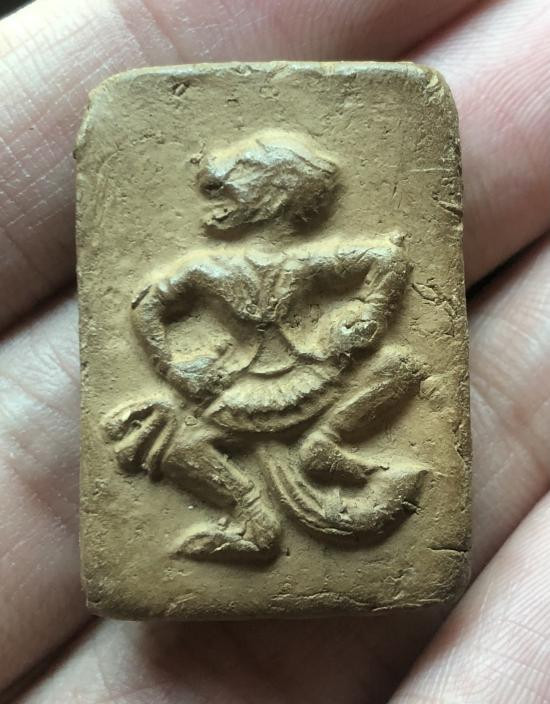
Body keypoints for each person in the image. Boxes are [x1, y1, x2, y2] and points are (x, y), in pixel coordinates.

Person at [1, 0, 549, 701]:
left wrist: (357, 328)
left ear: (274, 198)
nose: (213, 198)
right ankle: (251, 516)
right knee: (163, 438)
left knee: (404, 367)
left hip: (313, 380)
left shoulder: (312, 262)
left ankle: (324, 449)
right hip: (232, 392)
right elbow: (145, 307)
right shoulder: (209, 270)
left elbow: (389, 263)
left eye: (232, 187)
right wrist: (178, 367)